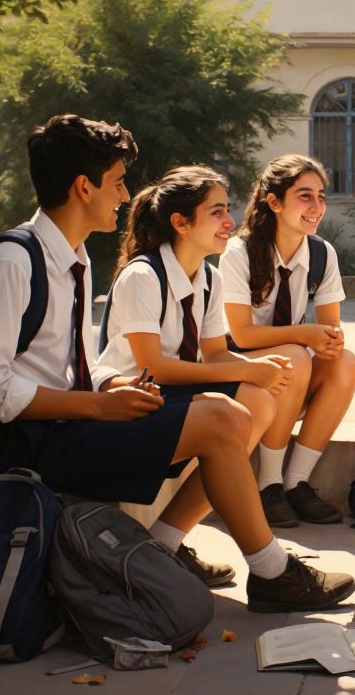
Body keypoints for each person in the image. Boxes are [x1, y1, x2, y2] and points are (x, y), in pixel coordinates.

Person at [0, 115, 355, 612]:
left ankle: (169, 550)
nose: (125, 197)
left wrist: (106, 389)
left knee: (233, 411)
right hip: (12, 445)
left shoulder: (73, 262)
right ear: (84, 187)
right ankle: (272, 572)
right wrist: (97, 406)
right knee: (220, 415)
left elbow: (79, 365)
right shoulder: (13, 263)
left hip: (63, 422)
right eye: (118, 182)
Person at [96, 164, 299, 586]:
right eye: (217, 212)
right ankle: (268, 569)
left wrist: (256, 370)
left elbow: (214, 353)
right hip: (127, 406)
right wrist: (250, 371)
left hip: (167, 397)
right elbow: (155, 368)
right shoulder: (142, 275)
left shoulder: (209, 277)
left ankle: (164, 544)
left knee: (259, 399)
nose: (230, 222)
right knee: (234, 409)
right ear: (180, 223)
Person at [221, 154, 355, 528]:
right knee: (295, 356)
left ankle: (296, 482)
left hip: (288, 369)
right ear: (274, 201)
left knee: (345, 362)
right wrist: (304, 335)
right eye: (304, 196)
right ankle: (268, 485)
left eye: (321, 196)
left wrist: (328, 341)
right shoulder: (240, 251)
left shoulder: (321, 252)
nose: (316, 207)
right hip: (237, 371)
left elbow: (329, 332)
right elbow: (241, 334)